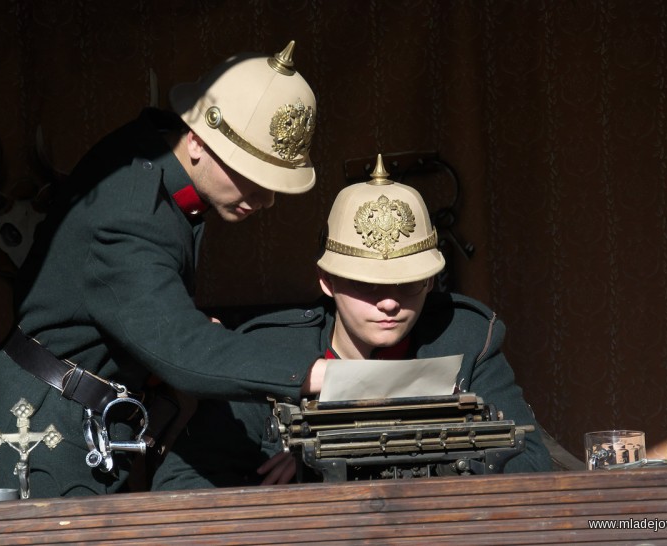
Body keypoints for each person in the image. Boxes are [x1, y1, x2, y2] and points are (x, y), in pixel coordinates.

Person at [0, 41, 329, 499]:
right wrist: (314, 373)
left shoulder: (158, 156)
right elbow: (182, 348)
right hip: (31, 434)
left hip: (77, 420)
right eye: (252, 176)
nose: (265, 200)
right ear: (198, 140)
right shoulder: (131, 211)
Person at [152, 155, 552, 490]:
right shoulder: (269, 351)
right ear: (327, 281)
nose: (390, 302)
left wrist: (337, 451)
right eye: (367, 286)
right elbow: (180, 485)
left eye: (409, 283)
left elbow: (533, 465)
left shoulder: (465, 340)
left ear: (430, 280)